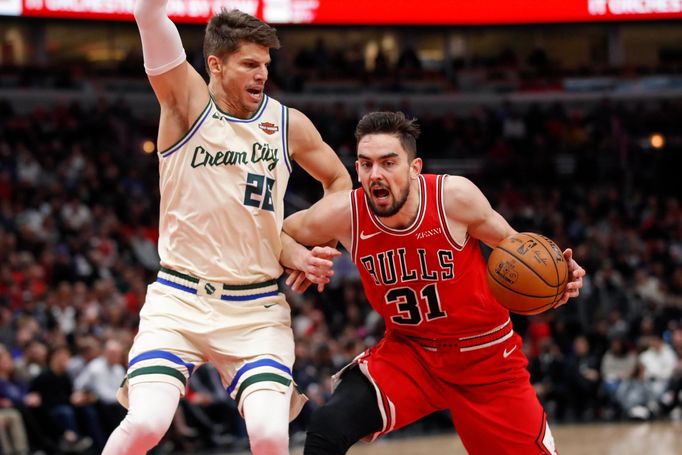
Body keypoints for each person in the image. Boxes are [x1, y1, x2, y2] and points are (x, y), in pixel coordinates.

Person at [102, 2, 351, 454]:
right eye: (250, 64)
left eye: (266, 65)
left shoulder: (286, 123)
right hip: (179, 300)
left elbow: (338, 182)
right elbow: (148, 14)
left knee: (271, 435)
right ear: (215, 64)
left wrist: (312, 237)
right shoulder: (185, 104)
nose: (262, 75)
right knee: (145, 424)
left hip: (254, 307)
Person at [283, 111, 586, 455]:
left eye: (388, 163)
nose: (375, 174)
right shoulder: (345, 213)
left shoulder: (453, 198)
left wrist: (560, 278)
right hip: (411, 353)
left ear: (414, 168)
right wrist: (297, 256)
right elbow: (279, 231)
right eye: (365, 165)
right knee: (328, 425)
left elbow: (520, 249)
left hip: (485, 356)